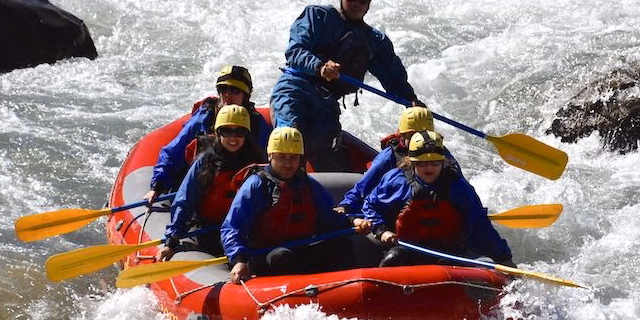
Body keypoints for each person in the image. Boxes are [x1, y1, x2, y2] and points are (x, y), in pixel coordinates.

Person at [269, 0, 421, 171]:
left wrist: (410, 100)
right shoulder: (317, 16)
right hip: (296, 88)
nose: (356, 3)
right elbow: (294, 51)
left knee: (329, 161)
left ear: (370, 1)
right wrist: (319, 66)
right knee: (288, 138)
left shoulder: (375, 41)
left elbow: (393, 78)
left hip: (326, 104)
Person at [222, 127, 371, 283]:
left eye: (293, 158)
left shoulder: (308, 184)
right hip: (265, 256)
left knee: (341, 245)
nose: (288, 164)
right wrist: (238, 259)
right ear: (270, 156)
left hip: (302, 250)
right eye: (282, 157)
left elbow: (330, 218)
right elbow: (232, 227)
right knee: (282, 256)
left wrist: (352, 221)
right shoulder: (256, 185)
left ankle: (348, 291)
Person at [362, 130, 514, 267]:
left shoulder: (458, 187)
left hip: (448, 252)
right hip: (407, 250)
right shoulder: (397, 181)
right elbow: (370, 205)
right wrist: (381, 231)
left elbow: (480, 224)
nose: (430, 168)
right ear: (413, 162)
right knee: (392, 258)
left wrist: (504, 258)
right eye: (423, 163)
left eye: (435, 162)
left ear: (443, 161)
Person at [145, 65, 272, 203]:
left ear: (245, 95)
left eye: (235, 91)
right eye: (224, 90)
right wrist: (156, 186)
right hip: (203, 183)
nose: (228, 95)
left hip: (238, 189)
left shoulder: (256, 123)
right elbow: (174, 151)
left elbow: (266, 161)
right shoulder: (206, 116)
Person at [156, 105, 266, 261]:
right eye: (226, 131)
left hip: (242, 229)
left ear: (247, 134)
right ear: (218, 133)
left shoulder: (256, 163)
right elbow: (185, 199)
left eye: (239, 132)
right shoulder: (206, 161)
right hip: (207, 229)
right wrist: (171, 241)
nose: (233, 138)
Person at [335, 106, 460, 216]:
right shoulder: (390, 156)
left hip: (435, 212)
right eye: (413, 135)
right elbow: (365, 184)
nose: (418, 139)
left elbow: (460, 183)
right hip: (399, 211)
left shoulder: (440, 153)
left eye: (423, 134)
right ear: (402, 135)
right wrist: (347, 206)